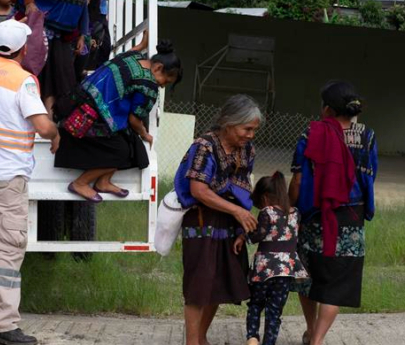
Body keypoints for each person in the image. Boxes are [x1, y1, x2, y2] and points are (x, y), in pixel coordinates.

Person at [0, 19, 59, 345]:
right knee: (7, 248)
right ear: (22, 50)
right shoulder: (23, 81)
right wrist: (56, 131)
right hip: (6, 179)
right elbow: (43, 127)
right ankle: (1, 324)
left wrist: (9, 28)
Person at [19, 0, 146, 113]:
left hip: (65, 31)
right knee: (32, 70)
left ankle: (53, 120)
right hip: (39, 24)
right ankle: (27, 114)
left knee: (63, 79)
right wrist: (29, 3)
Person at [289, 81, 377, 345]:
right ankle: (317, 340)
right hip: (350, 219)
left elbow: (297, 180)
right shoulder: (368, 136)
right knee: (336, 283)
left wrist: (292, 208)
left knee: (308, 277)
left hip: (314, 217)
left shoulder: (310, 134)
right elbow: (370, 178)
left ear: (326, 109)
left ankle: (310, 329)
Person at [175, 94, 261, 345]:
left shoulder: (247, 150)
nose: (250, 135)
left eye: (254, 130)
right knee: (198, 287)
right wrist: (236, 212)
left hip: (229, 224)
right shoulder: (204, 146)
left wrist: (241, 227)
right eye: (247, 129)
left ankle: (201, 337)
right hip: (202, 221)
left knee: (218, 284)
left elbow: (242, 189)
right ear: (229, 122)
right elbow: (198, 191)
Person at [54, 35, 182, 201]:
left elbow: (130, 51)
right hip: (85, 119)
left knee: (126, 141)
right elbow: (134, 120)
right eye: (166, 80)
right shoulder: (148, 85)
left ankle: (103, 181)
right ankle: (80, 183)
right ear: (157, 68)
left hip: (73, 103)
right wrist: (145, 134)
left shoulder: (135, 58)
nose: (163, 85)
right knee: (122, 152)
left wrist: (142, 44)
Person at [234, 172, 308, 345]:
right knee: (274, 311)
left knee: (256, 304)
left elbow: (258, 235)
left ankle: (252, 338)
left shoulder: (267, 212)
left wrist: (244, 237)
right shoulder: (295, 213)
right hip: (286, 271)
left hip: (265, 270)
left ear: (265, 198)